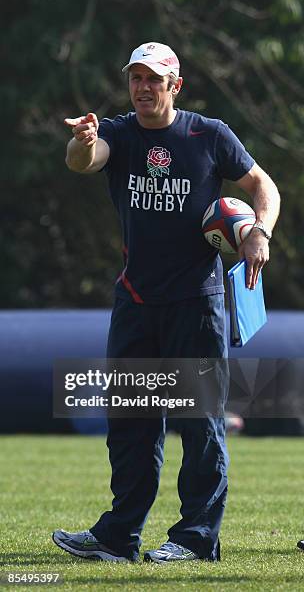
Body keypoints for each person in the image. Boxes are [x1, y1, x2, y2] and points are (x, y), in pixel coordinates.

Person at [52, 42, 280, 563]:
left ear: (175, 86)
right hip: (135, 300)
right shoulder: (117, 132)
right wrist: (83, 140)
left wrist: (259, 231)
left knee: (201, 426)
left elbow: (261, 184)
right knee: (130, 427)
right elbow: (83, 162)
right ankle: (117, 537)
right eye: (135, 78)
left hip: (196, 305)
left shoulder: (209, 134)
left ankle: (196, 540)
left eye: (154, 79)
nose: (143, 88)